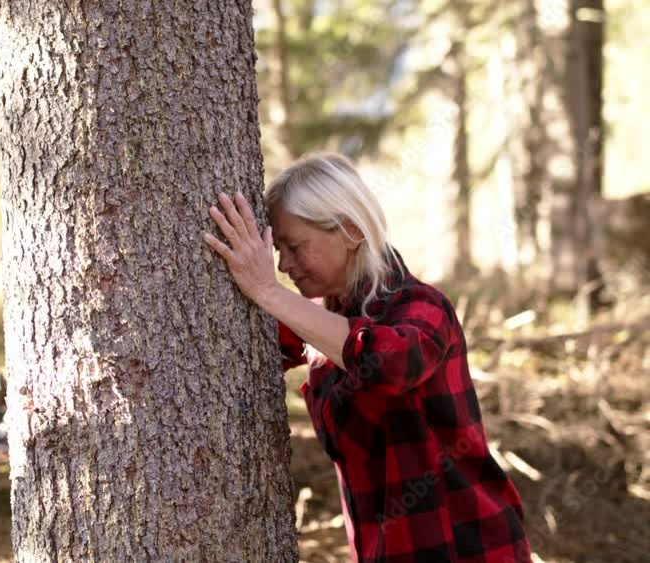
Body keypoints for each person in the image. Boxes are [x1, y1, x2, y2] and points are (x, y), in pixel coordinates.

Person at [202, 153, 531, 563]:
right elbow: (242, 349)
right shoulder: (325, 317)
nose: (284, 266)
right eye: (278, 250)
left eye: (295, 247)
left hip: (470, 550)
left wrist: (269, 292)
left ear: (351, 230)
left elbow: (389, 364)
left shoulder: (424, 308)